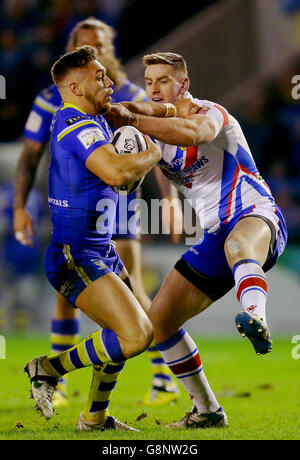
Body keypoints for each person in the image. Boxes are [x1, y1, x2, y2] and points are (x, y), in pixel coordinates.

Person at [108, 52, 288, 428]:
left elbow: (193, 134)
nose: (155, 88)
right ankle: (207, 411)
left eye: (163, 80)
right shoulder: (152, 126)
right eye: (150, 81)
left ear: (184, 84)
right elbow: (146, 140)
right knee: (158, 324)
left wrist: (131, 118)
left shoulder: (212, 113)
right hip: (214, 235)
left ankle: (256, 317)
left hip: (256, 214)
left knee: (238, 247)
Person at [14, 17, 178, 407]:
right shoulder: (74, 122)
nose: (107, 81)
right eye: (99, 76)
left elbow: (136, 120)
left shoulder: (98, 115)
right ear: (75, 87)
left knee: (123, 331)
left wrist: (167, 114)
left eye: (107, 72)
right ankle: (50, 369)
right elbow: (119, 173)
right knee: (135, 334)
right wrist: (153, 149)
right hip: (75, 254)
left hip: (100, 246)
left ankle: (96, 416)